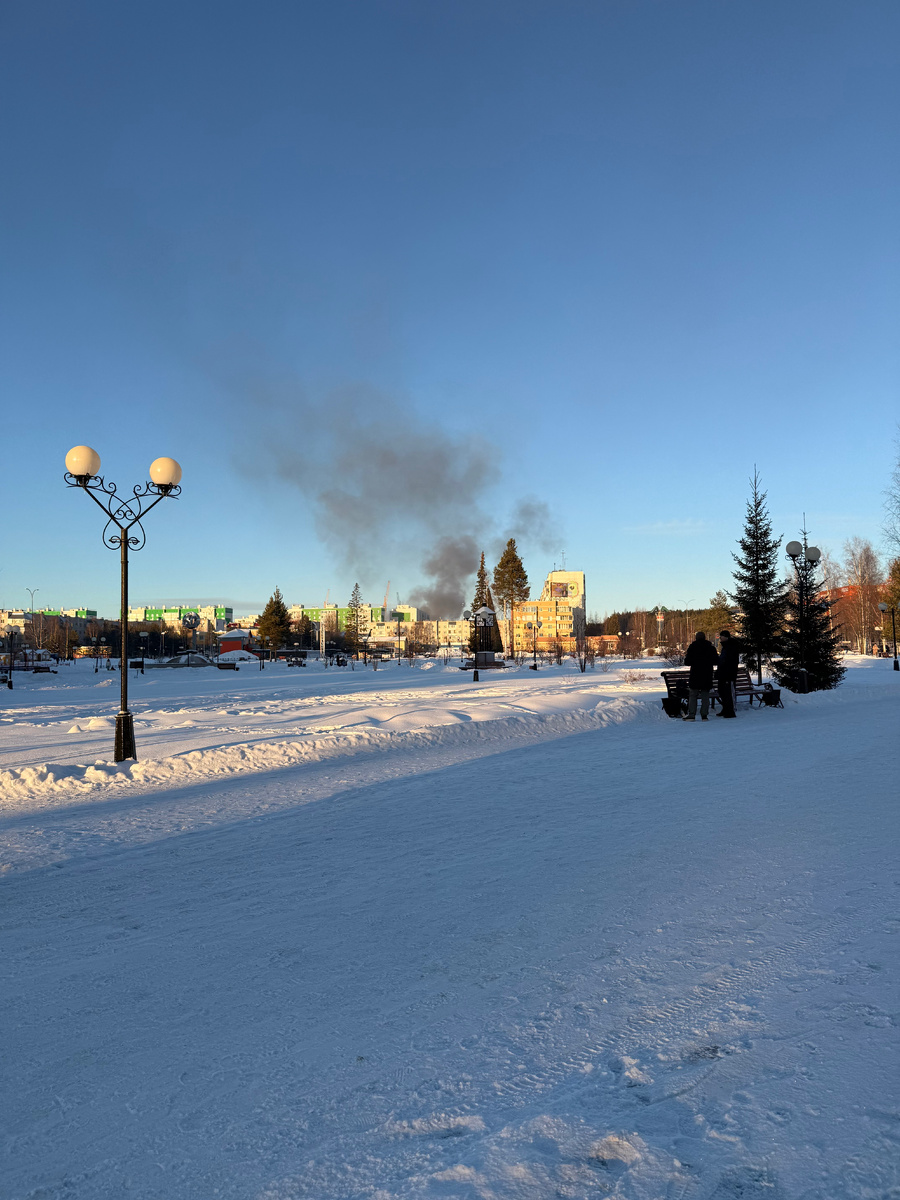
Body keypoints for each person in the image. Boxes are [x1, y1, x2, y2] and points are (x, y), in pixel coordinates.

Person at [683, 630, 718, 720]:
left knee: (693, 695)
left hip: (695, 674)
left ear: (696, 638)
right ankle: (704, 715)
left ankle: (691, 714)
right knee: (705, 695)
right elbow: (716, 661)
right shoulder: (710, 648)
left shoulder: (693, 647)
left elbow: (687, 662)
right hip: (707, 674)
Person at [716, 629, 740, 718]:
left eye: (721, 636)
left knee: (728, 692)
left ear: (725, 637)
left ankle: (730, 711)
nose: (720, 638)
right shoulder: (725, 647)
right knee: (721, 691)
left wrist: (724, 666)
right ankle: (725, 708)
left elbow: (730, 661)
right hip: (723, 672)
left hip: (729, 673)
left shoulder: (731, 646)